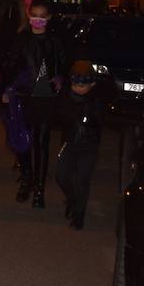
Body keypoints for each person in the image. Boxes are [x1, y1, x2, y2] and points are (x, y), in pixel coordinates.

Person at [3, 0, 65, 207]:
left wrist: (59, 78)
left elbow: (63, 65)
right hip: (23, 95)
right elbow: (9, 65)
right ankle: (26, 180)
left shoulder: (55, 41)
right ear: (29, 16)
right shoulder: (21, 40)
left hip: (45, 96)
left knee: (42, 142)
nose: (37, 19)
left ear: (48, 18)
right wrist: (8, 88)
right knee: (23, 140)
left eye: (42, 16)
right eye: (34, 15)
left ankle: (39, 188)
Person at [54, 60, 102, 230]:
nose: (78, 88)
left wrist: (91, 111)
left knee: (82, 179)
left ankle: (79, 214)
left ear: (92, 84)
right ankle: (73, 199)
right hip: (69, 143)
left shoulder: (96, 99)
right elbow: (59, 116)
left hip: (89, 146)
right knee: (61, 175)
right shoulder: (65, 97)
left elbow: (102, 120)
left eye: (83, 85)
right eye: (75, 84)